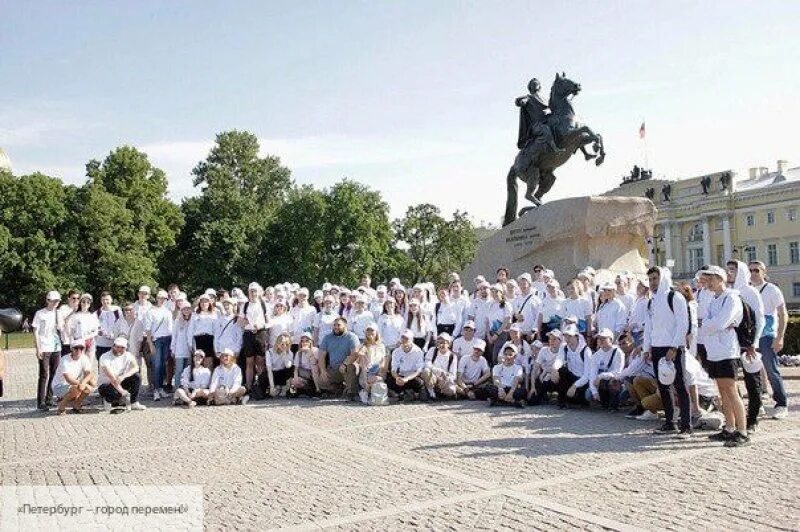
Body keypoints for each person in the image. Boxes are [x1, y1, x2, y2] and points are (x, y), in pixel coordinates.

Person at [699, 265, 749, 447]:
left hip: (727, 351)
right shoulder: (714, 300)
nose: (708, 283)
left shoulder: (731, 297)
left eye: (711, 279)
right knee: (722, 391)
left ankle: (742, 430)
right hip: (714, 351)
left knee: (731, 390)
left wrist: (711, 324)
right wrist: (711, 324)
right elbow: (706, 323)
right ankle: (729, 427)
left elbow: (720, 323)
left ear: (720, 278)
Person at [642, 266, 691, 437]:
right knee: (663, 386)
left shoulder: (675, 297)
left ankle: (686, 426)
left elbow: (682, 324)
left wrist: (674, 347)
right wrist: (646, 348)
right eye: (649, 280)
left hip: (673, 348)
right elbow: (649, 327)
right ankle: (670, 422)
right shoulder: (651, 301)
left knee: (680, 386)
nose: (652, 283)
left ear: (662, 278)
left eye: (655, 279)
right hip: (656, 347)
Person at [748, 261, 789, 420]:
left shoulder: (772, 289)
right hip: (751, 337)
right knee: (753, 371)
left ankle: (781, 403)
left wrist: (780, 337)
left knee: (771, 370)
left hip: (767, 335)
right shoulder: (748, 290)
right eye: (750, 270)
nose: (753, 273)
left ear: (764, 272)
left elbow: (782, 314)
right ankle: (757, 404)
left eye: (756, 270)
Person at [33, 290, 63, 411]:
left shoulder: (58, 313)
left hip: (56, 346)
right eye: (54, 301)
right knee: (44, 374)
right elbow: (35, 331)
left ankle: (49, 398)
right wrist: (38, 348)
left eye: (58, 301)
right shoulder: (40, 313)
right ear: (48, 301)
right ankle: (41, 401)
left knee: (54, 373)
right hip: (44, 346)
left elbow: (61, 327)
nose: (56, 303)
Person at [98, 337, 146, 412]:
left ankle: (133, 402)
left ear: (126, 348)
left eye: (122, 347)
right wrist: (123, 392)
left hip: (120, 380)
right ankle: (108, 400)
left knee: (137, 376)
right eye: (117, 347)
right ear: (113, 346)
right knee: (116, 393)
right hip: (107, 384)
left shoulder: (128, 355)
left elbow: (136, 367)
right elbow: (112, 378)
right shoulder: (105, 357)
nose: (119, 349)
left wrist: (124, 376)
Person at [317, 317, 361, 400]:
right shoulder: (327, 338)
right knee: (321, 382)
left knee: (351, 367)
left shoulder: (352, 337)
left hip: (347, 367)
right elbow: (321, 355)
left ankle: (351, 393)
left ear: (345, 325)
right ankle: (339, 389)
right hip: (334, 368)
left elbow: (355, 354)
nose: (336, 327)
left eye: (339, 325)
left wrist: (344, 364)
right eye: (334, 325)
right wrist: (323, 370)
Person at [239, 283, 270, 392]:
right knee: (249, 362)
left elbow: (269, 321)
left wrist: (261, 326)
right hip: (248, 334)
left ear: (259, 292)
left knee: (260, 362)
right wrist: (246, 323)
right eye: (251, 291)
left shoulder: (264, 304)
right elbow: (240, 320)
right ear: (248, 292)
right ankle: (248, 386)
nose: (253, 293)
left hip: (261, 333)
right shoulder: (245, 305)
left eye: (255, 291)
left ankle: (261, 386)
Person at [51, 341, 95, 415]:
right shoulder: (65, 360)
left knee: (89, 387)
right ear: (71, 349)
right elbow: (69, 379)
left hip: (73, 384)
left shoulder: (84, 358)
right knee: (75, 389)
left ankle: (77, 404)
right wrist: (82, 384)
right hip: (59, 386)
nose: (79, 350)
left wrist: (84, 383)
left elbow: (89, 373)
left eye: (81, 348)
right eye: (76, 348)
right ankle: (61, 407)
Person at [145, 290, 174, 401]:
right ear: (156, 298)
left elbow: (170, 328)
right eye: (160, 297)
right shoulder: (151, 311)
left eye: (164, 298)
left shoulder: (168, 311)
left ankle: (161, 387)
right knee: (156, 365)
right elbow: (147, 330)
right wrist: (150, 344)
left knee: (163, 365)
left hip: (167, 340)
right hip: (156, 340)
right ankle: (156, 390)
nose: (162, 300)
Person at [588, 328, 625, 410]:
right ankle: (605, 402)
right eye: (599, 338)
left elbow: (618, 372)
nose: (600, 340)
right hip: (602, 383)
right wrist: (594, 392)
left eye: (603, 338)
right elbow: (592, 374)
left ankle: (615, 404)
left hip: (617, 383)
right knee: (588, 395)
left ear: (611, 340)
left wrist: (601, 376)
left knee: (614, 382)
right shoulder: (595, 356)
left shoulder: (618, 352)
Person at [557, 325, 592, 408]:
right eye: (565, 336)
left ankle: (575, 399)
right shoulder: (564, 347)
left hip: (583, 381)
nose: (567, 338)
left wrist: (574, 386)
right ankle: (563, 401)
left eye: (570, 336)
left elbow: (587, 376)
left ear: (576, 336)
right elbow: (559, 360)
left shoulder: (586, 351)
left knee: (582, 400)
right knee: (562, 370)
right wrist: (554, 369)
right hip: (571, 377)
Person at [355, 323, 388, 404]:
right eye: (368, 331)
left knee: (378, 379)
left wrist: (380, 374)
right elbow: (358, 353)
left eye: (372, 330)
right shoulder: (363, 345)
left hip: (378, 372)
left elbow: (383, 362)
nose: (370, 333)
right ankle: (366, 389)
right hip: (366, 373)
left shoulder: (382, 346)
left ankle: (365, 392)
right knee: (362, 358)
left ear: (376, 332)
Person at [529, 330, 564, 405]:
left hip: (557, 379)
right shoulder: (543, 350)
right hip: (544, 378)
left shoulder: (564, 351)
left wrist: (547, 371)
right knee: (532, 401)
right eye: (550, 339)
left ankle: (560, 397)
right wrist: (532, 386)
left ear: (560, 341)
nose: (551, 341)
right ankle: (544, 395)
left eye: (554, 339)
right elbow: (534, 369)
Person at [388, 330, 425, 400]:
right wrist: (397, 378)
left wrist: (406, 379)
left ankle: (407, 393)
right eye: (402, 338)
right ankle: (404, 393)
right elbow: (393, 370)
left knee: (419, 382)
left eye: (406, 338)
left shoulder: (418, 351)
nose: (404, 340)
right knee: (389, 381)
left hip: (412, 377)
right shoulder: (396, 351)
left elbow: (418, 371)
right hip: (400, 376)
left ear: (411, 340)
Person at [486, 343, 526, 408]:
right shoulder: (497, 367)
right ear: (503, 355)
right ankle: (512, 401)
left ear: (515, 356)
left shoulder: (518, 367)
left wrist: (511, 393)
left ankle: (498, 401)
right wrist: (500, 389)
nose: (508, 357)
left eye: (510, 355)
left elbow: (516, 380)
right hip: (501, 388)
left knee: (522, 391)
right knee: (488, 387)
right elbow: (496, 379)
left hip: (512, 388)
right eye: (506, 354)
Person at [421, 333, 457, 400]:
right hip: (433, 377)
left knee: (451, 391)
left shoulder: (453, 356)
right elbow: (426, 364)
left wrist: (446, 379)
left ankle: (440, 393)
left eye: (444, 343)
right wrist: (439, 371)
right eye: (439, 342)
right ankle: (431, 394)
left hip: (444, 379)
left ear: (449, 344)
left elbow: (453, 375)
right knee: (426, 371)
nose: (441, 345)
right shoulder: (432, 350)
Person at [259, 332, 294, 398]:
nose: (284, 346)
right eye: (282, 344)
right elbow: (269, 371)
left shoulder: (290, 353)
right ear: (278, 343)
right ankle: (271, 389)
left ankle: (284, 389)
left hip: (282, 374)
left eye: (286, 344)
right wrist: (272, 387)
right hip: (272, 373)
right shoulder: (269, 352)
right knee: (263, 376)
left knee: (291, 368)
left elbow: (288, 366)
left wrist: (284, 355)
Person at [190, 293, 218, 368]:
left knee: (209, 363)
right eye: (202, 301)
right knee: (199, 363)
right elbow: (190, 330)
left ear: (209, 303)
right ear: (199, 303)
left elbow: (216, 331)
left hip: (209, 339)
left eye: (206, 301)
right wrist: (190, 344)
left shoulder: (214, 315)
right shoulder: (194, 315)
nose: (204, 303)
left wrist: (216, 346)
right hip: (198, 340)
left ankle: (209, 380)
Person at [68, 293, 100, 361]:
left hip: (90, 342)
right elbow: (72, 331)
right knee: (79, 363)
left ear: (90, 304)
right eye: (83, 301)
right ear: (80, 302)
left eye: (88, 302)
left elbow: (96, 331)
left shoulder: (93, 315)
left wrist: (87, 337)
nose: (85, 303)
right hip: (79, 342)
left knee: (89, 364)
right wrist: (72, 343)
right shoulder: (76, 315)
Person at [170, 302, 194, 390]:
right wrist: (173, 349)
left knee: (187, 370)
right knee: (179, 370)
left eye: (188, 309)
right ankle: (176, 389)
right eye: (184, 309)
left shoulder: (193, 320)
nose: (186, 311)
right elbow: (174, 336)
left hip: (189, 349)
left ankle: (185, 388)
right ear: (181, 310)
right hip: (179, 349)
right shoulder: (177, 321)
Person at [289, 332, 321, 397]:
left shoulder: (316, 350)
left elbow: (314, 363)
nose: (304, 343)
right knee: (293, 379)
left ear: (311, 342)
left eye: (307, 341)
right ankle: (293, 392)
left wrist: (309, 352)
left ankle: (318, 389)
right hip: (304, 374)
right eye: (302, 341)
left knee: (314, 367)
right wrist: (295, 379)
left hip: (314, 374)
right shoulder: (298, 353)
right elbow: (296, 368)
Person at [214, 296, 243, 366]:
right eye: (224, 305)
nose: (226, 306)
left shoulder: (236, 319)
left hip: (232, 348)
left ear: (232, 306)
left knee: (232, 368)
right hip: (221, 347)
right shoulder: (219, 319)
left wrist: (237, 349)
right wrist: (216, 349)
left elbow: (239, 336)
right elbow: (216, 335)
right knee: (222, 368)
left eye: (228, 305)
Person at [513, 273, 542, 341]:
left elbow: (538, 317)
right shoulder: (516, 299)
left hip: (530, 333)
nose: (522, 286)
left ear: (529, 284)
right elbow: (514, 314)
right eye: (520, 284)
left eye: (524, 283)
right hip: (518, 333)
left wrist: (533, 331)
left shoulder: (536, 299)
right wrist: (516, 316)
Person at [95, 292, 122, 359]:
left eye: (107, 299)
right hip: (101, 344)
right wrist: (99, 332)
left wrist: (114, 335)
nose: (105, 301)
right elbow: (94, 328)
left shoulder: (117, 310)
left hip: (115, 344)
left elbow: (122, 325)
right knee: (101, 366)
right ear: (101, 301)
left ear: (111, 300)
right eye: (103, 300)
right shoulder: (97, 313)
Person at [290, 288, 317, 352]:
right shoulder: (293, 310)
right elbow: (290, 326)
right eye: (300, 295)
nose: (302, 297)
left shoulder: (312, 309)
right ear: (297, 296)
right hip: (295, 341)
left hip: (307, 341)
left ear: (308, 297)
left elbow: (314, 326)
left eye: (304, 296)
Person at [58, 290, 81, 357]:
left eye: (78, 298)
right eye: (73, 298)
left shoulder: (81, 309)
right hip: (66, 341)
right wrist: (72, 312)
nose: (76, 300)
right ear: (69, 299)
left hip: (78, 341)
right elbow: (61, 323)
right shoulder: (63, 308)